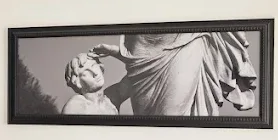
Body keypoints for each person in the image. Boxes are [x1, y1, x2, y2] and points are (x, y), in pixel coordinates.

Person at [88, 31, 258, 117]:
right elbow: (140, 57)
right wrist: (117, 52)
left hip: (189, 40)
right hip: (142, 55)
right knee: (147, 134)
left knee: (173, 124)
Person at [59, 52, 119, 116]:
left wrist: (112, 51)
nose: (95, 73)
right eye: (86, 73)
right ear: (78, 83)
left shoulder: (109, 99)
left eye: (93, 65)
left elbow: (130, 78)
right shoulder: (75, 106)